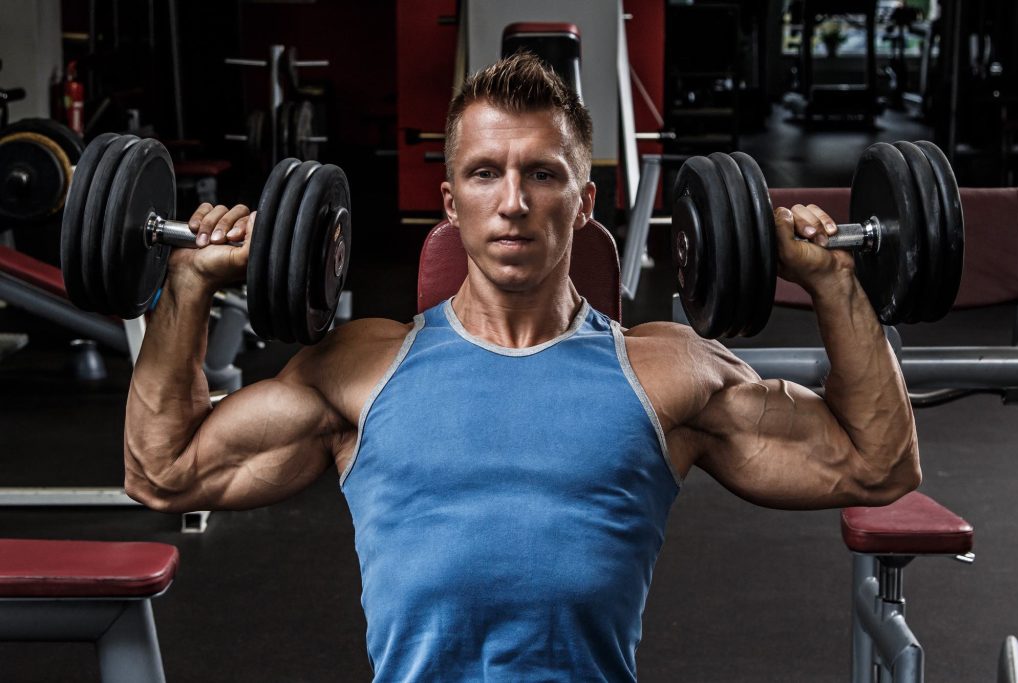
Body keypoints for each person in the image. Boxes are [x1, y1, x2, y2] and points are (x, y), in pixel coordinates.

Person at [124, 53, 920, 680]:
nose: (513, 202)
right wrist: (188, 284)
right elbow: (164, 471)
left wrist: (834, 281)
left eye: (543, 174)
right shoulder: (360, 370)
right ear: (449, 200)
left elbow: (876, 464)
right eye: (484, 173)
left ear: (584, 198)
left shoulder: (667, 372)